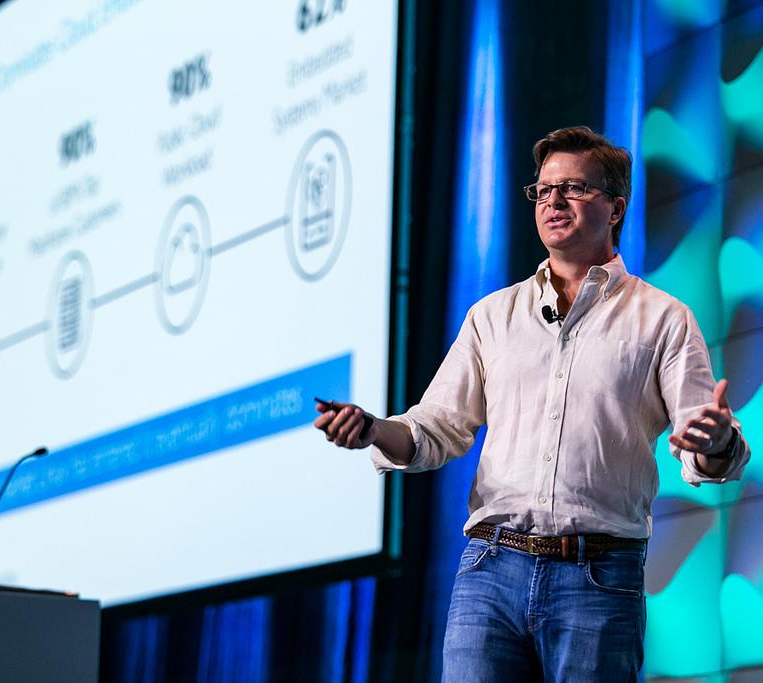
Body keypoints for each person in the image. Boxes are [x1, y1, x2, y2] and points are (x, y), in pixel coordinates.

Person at [314, 126, 751, 682]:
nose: (553, 201)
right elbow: (434, 429)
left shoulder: (663, 318)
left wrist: (716, 442)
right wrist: (375, 430)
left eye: (573, 188)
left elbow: (705, 444)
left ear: (615, 208)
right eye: (543, 190)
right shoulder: (491, 316)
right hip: (490, 570)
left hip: (599, 575)